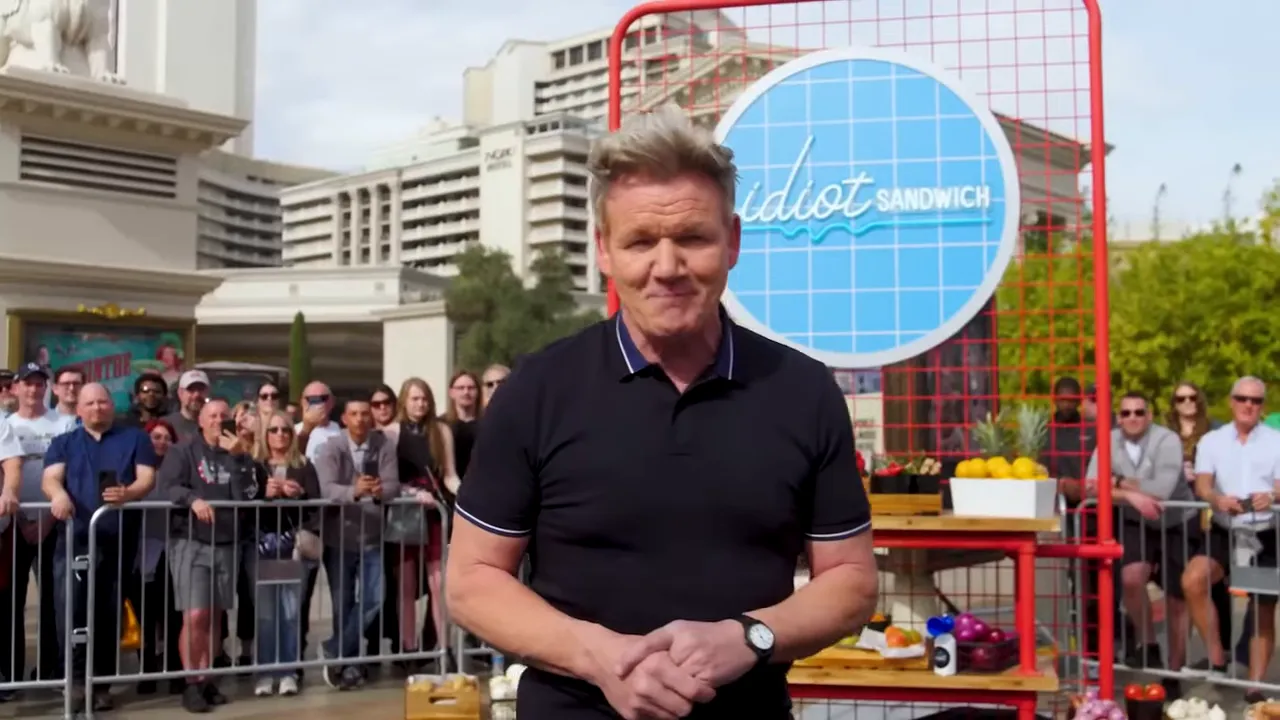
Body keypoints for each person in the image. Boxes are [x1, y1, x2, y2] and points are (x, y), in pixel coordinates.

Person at [446, 106, 878, 720]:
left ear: (732, 240)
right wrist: (602, 658)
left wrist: (751, 637)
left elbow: (852, 583)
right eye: (641, 241)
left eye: (692, 238)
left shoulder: (802, 392)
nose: (667, 267)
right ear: (604, 250)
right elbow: (472, 580)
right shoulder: (537, 389)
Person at [41, 383, 158, 713]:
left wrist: (129, 494)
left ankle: (101, 684)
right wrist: (59, 495)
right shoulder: (64, 442)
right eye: (89, 403)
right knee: (71, 612)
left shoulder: (135, 438)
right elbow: (50, 478)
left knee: (108, 614)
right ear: (79, 409)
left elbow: (146, 479)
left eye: (103, 402)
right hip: (73, 542)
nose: (97, 408)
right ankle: (75, 683)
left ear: (112, 405)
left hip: (119, 539)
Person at [1083, 391, 1192, 697]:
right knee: (1131, 579)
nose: (1132, 418)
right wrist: (1130, 494)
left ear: (1150, 415)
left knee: (1175, 597)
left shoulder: (1167, 440)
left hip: (1176, 521)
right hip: (1135, 519)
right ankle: (1149, 644)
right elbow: (1091, 488)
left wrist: (1115, 482)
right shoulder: (1109, 439)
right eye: (1126, 413)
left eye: (1139, 412)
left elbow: (1162, 489)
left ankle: (1174, 669)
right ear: (1118, 416)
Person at [1181, 376, 1280, 705]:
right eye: (1242, 398)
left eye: (1255, 401)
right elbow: (1203, 485)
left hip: (1266, 531)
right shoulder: (1212, 440)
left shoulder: (1276, 440)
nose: (1248, 405)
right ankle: (1218, 661)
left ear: (1262, 407)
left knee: (1263, 610)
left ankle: (1255, 687)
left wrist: (1272, 495)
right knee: (1193, 580)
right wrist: (1217, 499)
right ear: (1231, 401)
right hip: (1225, 528)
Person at [158, 398, 257, 713]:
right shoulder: (183, 451)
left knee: (215, 616)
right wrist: (192, 499)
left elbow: (247, 495)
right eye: (212, 416)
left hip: (227, 542)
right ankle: (191, 682)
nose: (218, 421)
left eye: (224, 416)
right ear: (200, 421)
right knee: (195, 614)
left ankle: (207, 678)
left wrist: (240, 459)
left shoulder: (238, 453)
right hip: (191, 541)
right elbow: (168, 487)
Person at [313, 399, 399, 690]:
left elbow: (393, 485)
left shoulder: (383, 444)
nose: (361, 419)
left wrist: (378, 491)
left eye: (365, 414)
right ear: (345, 418)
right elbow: (325, 488)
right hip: (339, 538)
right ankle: (347, 665)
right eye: (355, 414)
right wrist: (354, 490)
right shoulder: (331, 447)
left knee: (375, 599)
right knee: (343, 604)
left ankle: (335, 649)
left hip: (373, 536)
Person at [0, 362, 76, 685]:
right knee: (10, 602)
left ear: (47, 388)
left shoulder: (64, 423)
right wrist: (15, 516)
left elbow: (71, 474)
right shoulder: (6, 424)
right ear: (15, 388)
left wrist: (46, 519)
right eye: (27, 384)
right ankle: (12, 670)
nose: (33, 390)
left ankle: (50, 669)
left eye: (39, 384)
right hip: (13, 524)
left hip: (54, 522)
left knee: (54, 600)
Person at [249, 410, 320, 697]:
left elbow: (317, 505)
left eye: (285, 430)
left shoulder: (303, 465)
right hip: (262, 546)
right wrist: (263, 495)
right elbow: (243, 499)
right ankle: (266, 672)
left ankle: (289, 671)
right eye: (274, 430)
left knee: (290, 613)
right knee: (266, 614)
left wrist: (298, 495)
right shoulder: (255, 465)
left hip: (291, 548)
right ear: (265, 435)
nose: (280, 435)